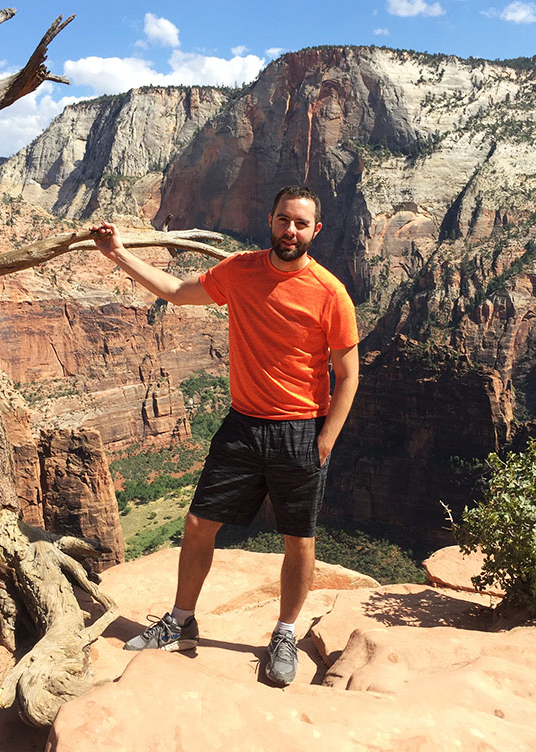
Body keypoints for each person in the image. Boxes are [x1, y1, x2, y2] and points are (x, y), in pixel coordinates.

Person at [91, 185, 359, 686]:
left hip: (300, 429)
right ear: (271, 220)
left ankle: (284, 633)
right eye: (284, 220)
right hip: (243, 424)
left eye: (301, 223)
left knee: (299, 539)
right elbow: (176, 291)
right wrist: (118, 253)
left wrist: (326, 440)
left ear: (315, 230)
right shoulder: (239, 270)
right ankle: (181, 622)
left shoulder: (330, 293)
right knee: (198, 525)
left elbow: (348, 376)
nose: (291, 230)